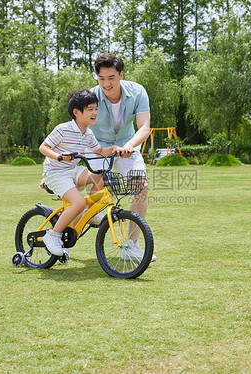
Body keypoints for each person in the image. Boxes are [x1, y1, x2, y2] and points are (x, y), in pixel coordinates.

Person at [39, 89, 125, 258]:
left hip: (72, 170)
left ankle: (90, 213)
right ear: (76, 112)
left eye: (96, 108)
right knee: (78, 202)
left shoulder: (88, 133)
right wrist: (58, 156)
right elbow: (43, 147)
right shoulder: (63, 129)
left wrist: (115, 149)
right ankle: (53, 235)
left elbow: (100, 150)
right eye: (90, 109)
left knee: (99, 177)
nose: (95, 113)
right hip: (56, 172)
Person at [89, 53, 156, 261]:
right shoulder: (91, 97)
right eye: (101, 79)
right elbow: (77, 130)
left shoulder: (137, 92)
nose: (106, 84)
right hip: (98, 147)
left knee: (141, 187)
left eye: (111, 78)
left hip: (128, 144)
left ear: (121, 75)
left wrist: (129, 145)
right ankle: (71, 230)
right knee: (95, 187)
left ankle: (131, 245)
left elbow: (144, 126)